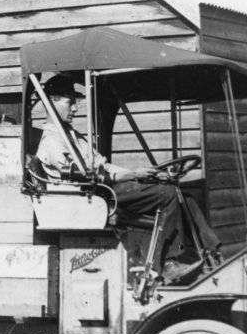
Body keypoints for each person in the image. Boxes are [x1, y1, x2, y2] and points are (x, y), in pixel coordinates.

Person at [35, 74, 221, 283]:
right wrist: (132, 175)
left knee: (184, 196)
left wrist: (144, 173)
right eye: (70, 102)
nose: (75, 109)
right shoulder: (52, 142)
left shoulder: (73, 136)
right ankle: (166, 264)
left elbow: (103, 165)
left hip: (102, 191)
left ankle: (212, 256)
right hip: (90, 198)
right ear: (52, 102)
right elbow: (86, 178)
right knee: (167, 194)